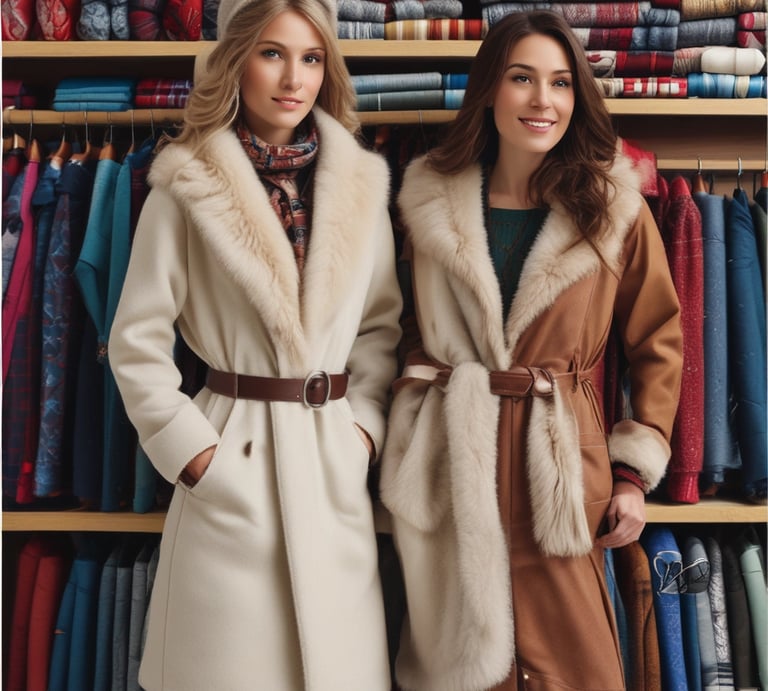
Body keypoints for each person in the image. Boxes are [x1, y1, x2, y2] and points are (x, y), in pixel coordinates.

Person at [379, 9, 684, 691]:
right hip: (451, 463)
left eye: (560, 82)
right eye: (522, 79)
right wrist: (404, 427)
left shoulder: (612, 207)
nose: (543, 101)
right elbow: (392, 327)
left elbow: (659, 339)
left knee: (580, 668)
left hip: (563, 469)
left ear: (577, 97)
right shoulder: (424, 199)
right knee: (455, 664)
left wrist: (633, 472)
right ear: (490, 88)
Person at [108, 0, 402, 687]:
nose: (293, 77)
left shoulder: (360, 187)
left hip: (330, 462)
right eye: (271, 53)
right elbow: (136, 344)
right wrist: (198, 457)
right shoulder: (185, 186)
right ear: (235, 61)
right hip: (229, 461)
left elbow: (380, 331)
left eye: (310, 57)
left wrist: (359, 434)